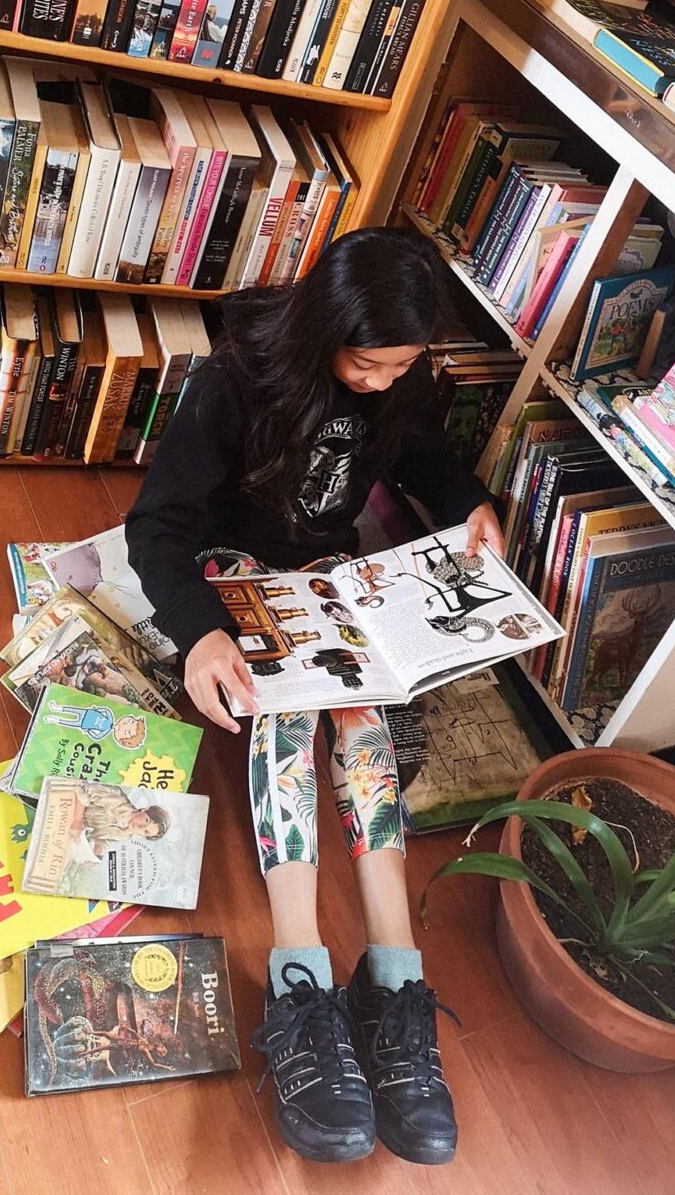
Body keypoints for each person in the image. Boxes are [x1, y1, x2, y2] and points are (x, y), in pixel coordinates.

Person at [126, 228, 503, 1167]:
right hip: (234, 572)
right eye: (367, 362)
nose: (381, 383)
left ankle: (393, 978)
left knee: (361, 715)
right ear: (323, 329)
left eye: (402, 365)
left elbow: (419, 453)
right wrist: (200, 631)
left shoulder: (401, 379)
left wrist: (467, 506)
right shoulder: (239, 378)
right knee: (287, 708)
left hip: (329, 576)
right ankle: (301, 979)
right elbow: (159, 523)